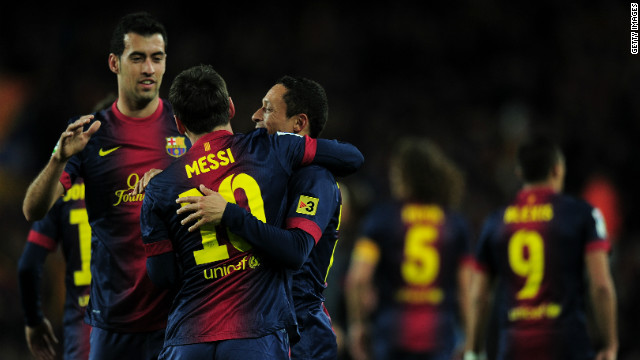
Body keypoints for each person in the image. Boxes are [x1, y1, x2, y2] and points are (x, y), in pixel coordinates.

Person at [139, 64, 363, 359]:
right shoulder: (261, 155)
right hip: (259, 327)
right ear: (229, 108)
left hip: (300, 329)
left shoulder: (314, 177)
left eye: (267, 109)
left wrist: (222, 212)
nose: (256, 115)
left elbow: (296, 251)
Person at [22, 12, 189, 360]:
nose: (148, 69)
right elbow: (33, 210)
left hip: (176, 321)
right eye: (138, 57)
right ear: (114, 63)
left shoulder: (184, 130)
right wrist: (57, 159)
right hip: (111, 324)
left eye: (156, 58)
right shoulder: (89, 133)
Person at [463, 136, 618, 360]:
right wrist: (610, 344)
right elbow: (601, 286)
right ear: (557, 170)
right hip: (567, 345)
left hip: (514, 347)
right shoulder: (582, 215)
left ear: (519, 173)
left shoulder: (495, 222)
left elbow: (479, 295)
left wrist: (473, 350)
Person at [345, 137, 474, 360]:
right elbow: (467, 291)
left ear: (404, 175)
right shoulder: (454, 224)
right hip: (439, 335)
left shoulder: (381, 219)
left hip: (391, 333)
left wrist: (357, 326)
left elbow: (357, 280)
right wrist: (471, 340)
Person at [18, 177, 91, 360]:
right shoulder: (129, 178)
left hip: (82, 332)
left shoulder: (61, 191)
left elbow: (28, 266)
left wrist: (34, 322)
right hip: (135, 322)